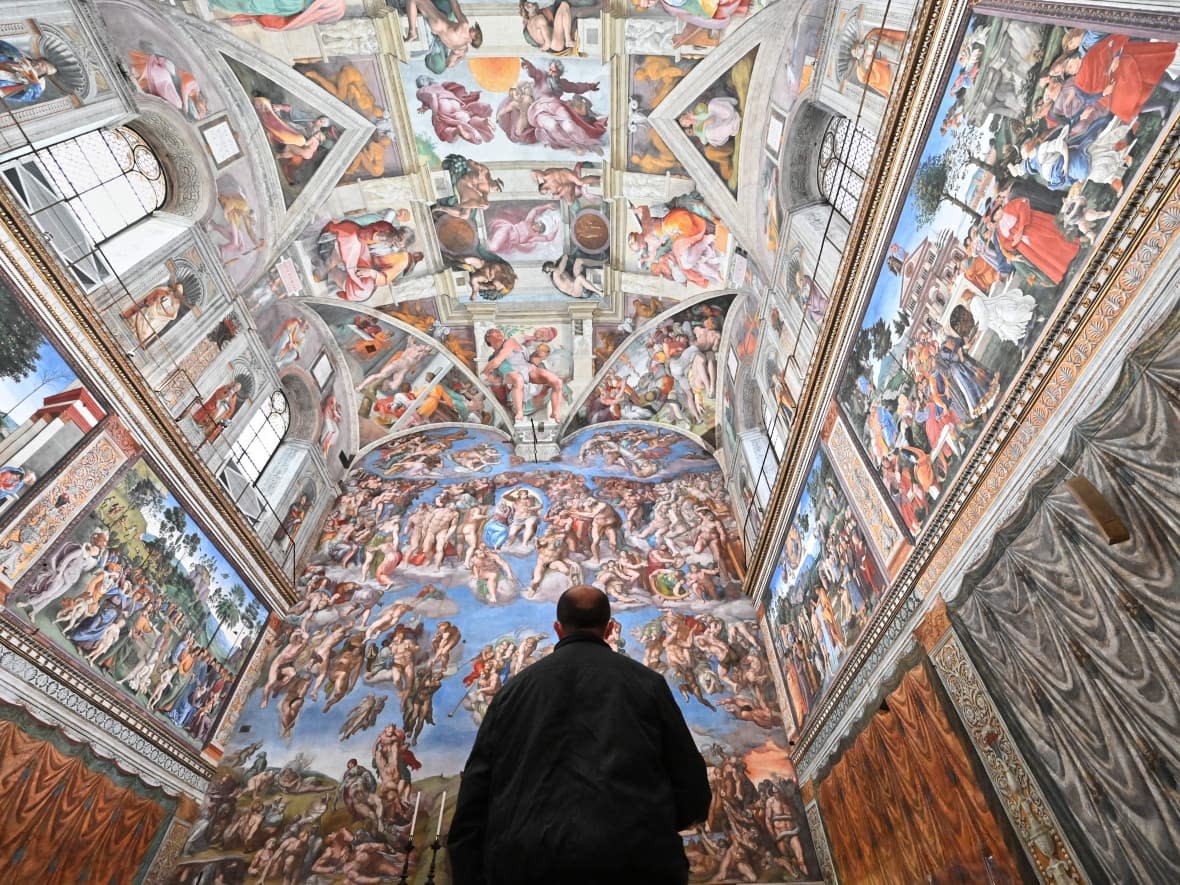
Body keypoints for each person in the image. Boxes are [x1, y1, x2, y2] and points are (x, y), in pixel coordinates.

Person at [449, 585, 711, 885]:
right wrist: (651, 825)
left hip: (526, 865)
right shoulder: (648, 684)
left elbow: (475, 793)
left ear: (558, 628)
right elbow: (692, 788)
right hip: (635, 863)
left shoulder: (512, 692)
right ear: (610, 628)